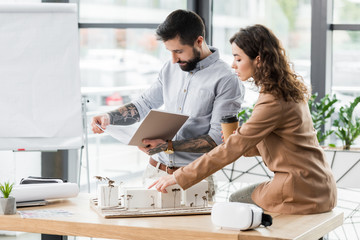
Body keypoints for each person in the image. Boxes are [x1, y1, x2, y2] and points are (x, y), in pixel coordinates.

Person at [149, 24, 337, 214]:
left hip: (299, 187)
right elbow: (285, 144)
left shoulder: (272, 100)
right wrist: (242, 139)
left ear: (259, 60)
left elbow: (232, 149)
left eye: (238, 58)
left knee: (236, 201)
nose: (233, 65)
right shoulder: (287, 91)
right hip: (319, 184)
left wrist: (179, 177)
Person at [91, 9, 244, 198]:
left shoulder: (226, 79)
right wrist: (109, 117)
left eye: (179, 51)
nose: (173, 59)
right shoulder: (170, 67)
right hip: (154, 173)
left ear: (199, 41)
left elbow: (217, 140)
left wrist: (168, 146)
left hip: (194, 180)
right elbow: (145, 103)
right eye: (170, 51)